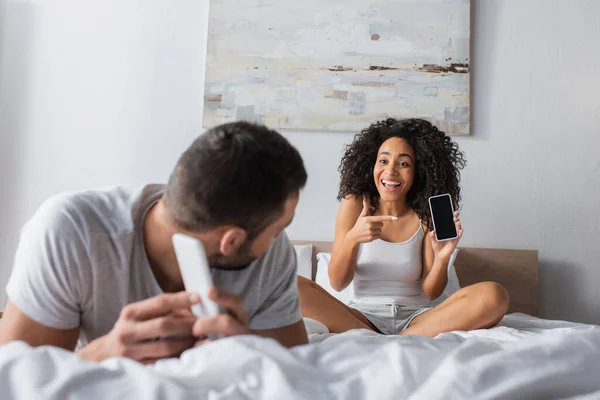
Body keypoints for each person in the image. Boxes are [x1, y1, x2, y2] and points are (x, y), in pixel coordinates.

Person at [0, 121, 309, 363]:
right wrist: (101, 355)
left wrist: (247, 355)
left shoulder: (272, 256)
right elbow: (15, 381)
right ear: (231, 240)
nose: (278, 238)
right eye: (281, 226)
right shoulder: (71, 232)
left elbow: (295, 379)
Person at [298, 118, 509, 337]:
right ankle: (379, 336)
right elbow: (338, 283)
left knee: (495, 295)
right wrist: (353, 239)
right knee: (290, 286)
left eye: (404, 163)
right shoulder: (354, 205)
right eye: (383, 161)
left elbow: (431, 292)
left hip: (417, 318)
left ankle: (398, 339)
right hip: (360, 317)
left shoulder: (426, 214)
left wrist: (442, 258)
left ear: (419, 171)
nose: (390, 171)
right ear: (372, 165)